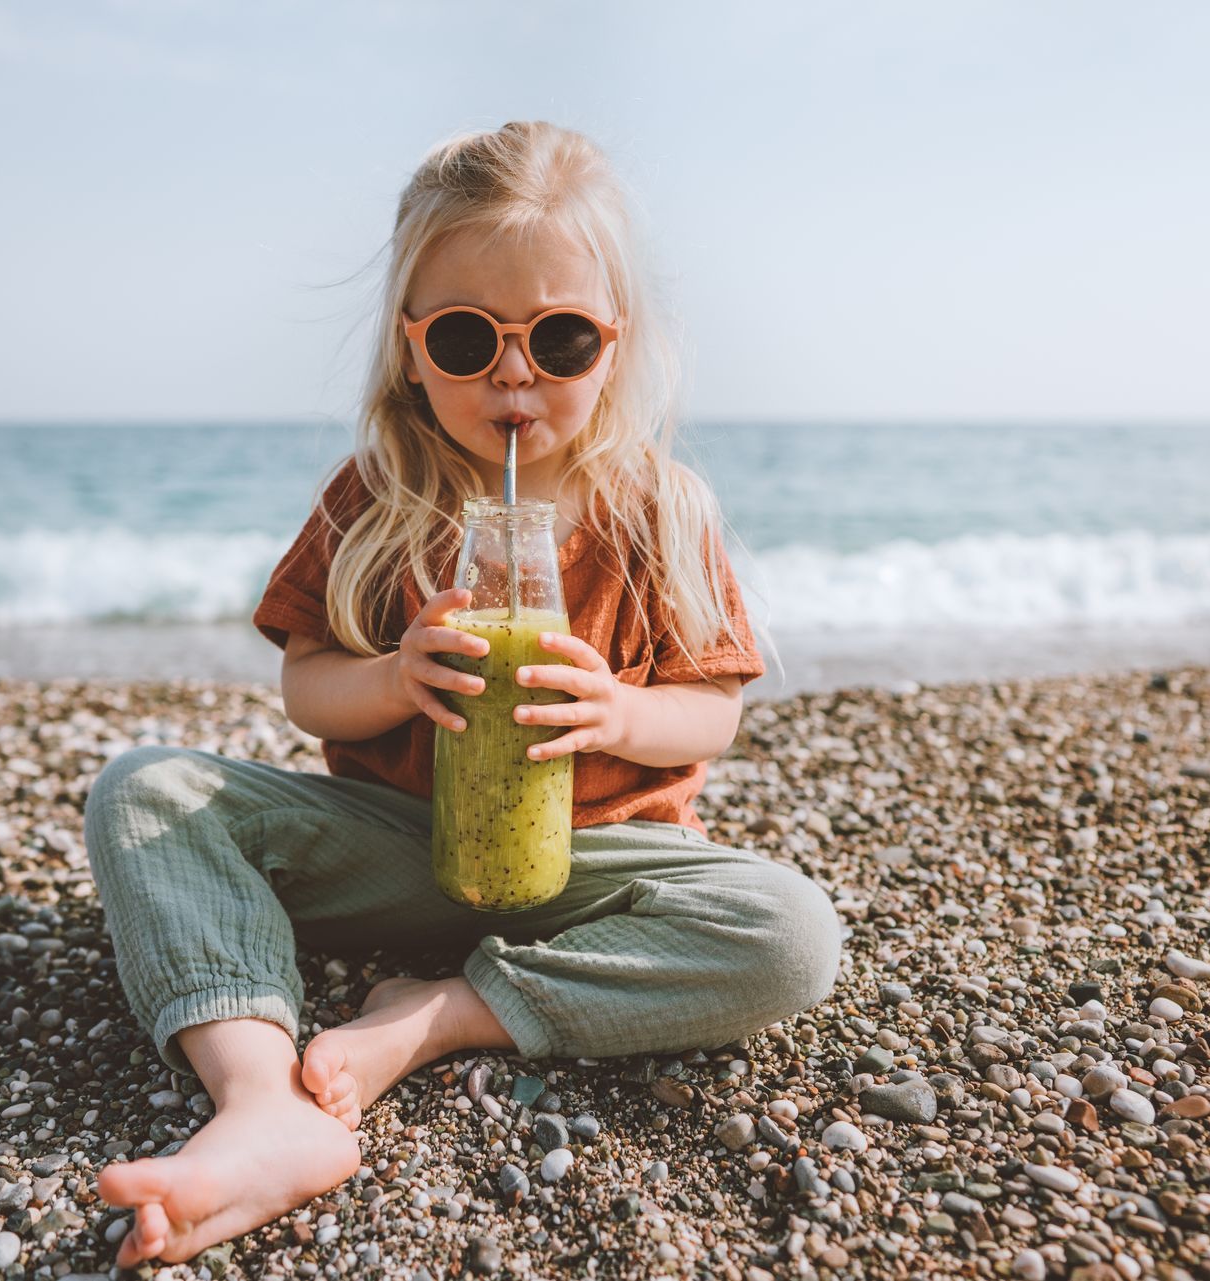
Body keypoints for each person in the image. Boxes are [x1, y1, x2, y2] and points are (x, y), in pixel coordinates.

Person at [82, 120, 842, 1268]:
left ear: (613, 346)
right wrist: (391, 678)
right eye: (466, 336)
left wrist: (622, 715)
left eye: (561, 338)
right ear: (412, 345)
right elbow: (307, 685)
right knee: (145, 793)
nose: (513, 374)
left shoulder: (660, 508)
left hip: (597, 871)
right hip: (405, 848)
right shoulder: (380, 496)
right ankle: (257, 1097)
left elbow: (713, 708)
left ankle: (439, 1015)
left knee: (792, 934)